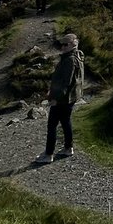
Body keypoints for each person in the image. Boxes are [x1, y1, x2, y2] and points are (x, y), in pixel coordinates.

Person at [35, 33, 84, 164]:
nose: (62, 47)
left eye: (65, 44)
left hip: (63, 99)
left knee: (52, 125)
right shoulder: (75, 56)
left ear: (73, 44)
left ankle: (48, 154)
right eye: (61, 44)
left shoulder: (70, 60)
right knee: (65, 122)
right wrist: (51, 91)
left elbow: (66, 83)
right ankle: (68, 148)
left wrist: (55, 98)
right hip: (70, 97)